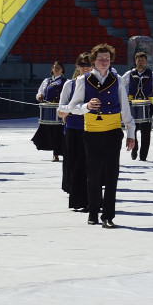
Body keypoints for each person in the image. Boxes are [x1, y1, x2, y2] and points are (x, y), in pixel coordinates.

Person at [65, 44, 136, 227]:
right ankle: (93, 212)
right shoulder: (83, 80)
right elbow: (72, 107)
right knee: (94, 174)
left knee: (112, 175)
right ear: (93, 61)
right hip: (92, 132)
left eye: (107, 59)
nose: (104, 62)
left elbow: (125, 108)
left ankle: (108, 216)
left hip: (113, 131)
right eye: (100, 59)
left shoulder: (117, 79)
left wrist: (131, 132)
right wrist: (87, 106)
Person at [59, 54, 91, 212]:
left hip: (93, 129)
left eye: (88, 64)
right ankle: (77, 199)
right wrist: (74, 110)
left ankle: (90, 199)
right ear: (77, 66)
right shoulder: (69, 85)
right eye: (82, 64)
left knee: (90, 166)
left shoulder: (97, 84)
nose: (85, 67)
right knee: (74, 165)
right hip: (73, 129)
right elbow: (60, 110)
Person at [122, 51, 153, 162]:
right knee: (132, 128)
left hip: (147, 104)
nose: (141, 62)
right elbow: (120, 84)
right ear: (135, 61)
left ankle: (143, 156)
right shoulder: (129, 74)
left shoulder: (152, 74)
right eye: (139, 60)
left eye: (143, 60)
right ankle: (134, 148)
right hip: (132, 104)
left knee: (146, 132)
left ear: (146, 62)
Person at [32, 61, 68, 162]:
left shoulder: (66, 82)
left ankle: (60, 153)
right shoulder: (46, 81)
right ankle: (55, 153)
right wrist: (39, 96)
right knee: (50, 131)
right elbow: (40, 93)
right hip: (48, 110)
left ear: (62, 70)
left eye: (59, 68)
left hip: (60, 109)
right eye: (55, 67)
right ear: (52, 69)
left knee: (59, 132)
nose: (56, 69)